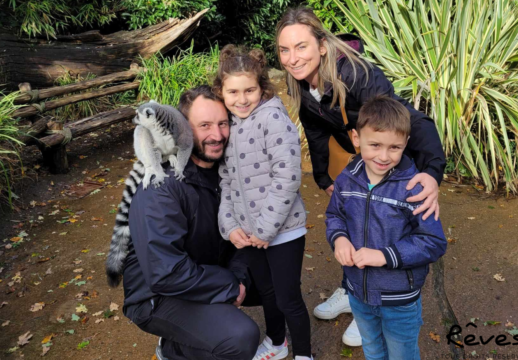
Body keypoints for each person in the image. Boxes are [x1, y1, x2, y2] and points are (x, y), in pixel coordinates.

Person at [275, 6, 446, 345]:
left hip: (389, 157)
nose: (292, 58)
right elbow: (316, 132)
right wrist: (325, 180)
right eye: (284, 50)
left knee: (385, 226)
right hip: (355, 156)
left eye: (301, 46)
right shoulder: (302, 83)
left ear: (321, 45)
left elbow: (408, 119)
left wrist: (431, 173)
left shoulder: (357, 75)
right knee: (353, 221)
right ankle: (351, 291)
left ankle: (373, 304)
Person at [122, 86, 259, 360]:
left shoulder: (226, 172)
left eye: (223, 124)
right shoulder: (162, 187)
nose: (217, 135)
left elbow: (244, 234)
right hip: (157, 295)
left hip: (202, 268)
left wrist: (239, 278)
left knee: (278, 275)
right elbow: (165, 272)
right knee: (240, 337)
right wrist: (230, 286)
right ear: (183, 128)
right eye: (204, 125)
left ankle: (206, 326)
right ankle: (175, 349)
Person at [325, 95, 447, 359]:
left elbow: (433, 242)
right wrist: (339, 239)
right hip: (358, 291)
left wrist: (383, 256)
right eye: (375, 145)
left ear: (406, 144)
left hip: (399, 299)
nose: (383, 156)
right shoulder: (347, 179)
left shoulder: (414, 187)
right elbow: (335, 215)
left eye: (394, 147)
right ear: (357, 139)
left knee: (402, 354)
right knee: (371, 348)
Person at [214, 45, 312, 360]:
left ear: (262, 87)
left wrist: (265, 229)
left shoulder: (272, 119)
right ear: (222, 91)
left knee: (288, 297)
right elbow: (226, 181)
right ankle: (276, 342)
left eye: (250, 90)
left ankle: (305, 354)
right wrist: (230, 225)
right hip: (250, 233)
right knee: (268, 293)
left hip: (282, 231)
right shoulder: (228, 123)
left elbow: (287, 178)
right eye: (233, 92)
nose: (242, 99)